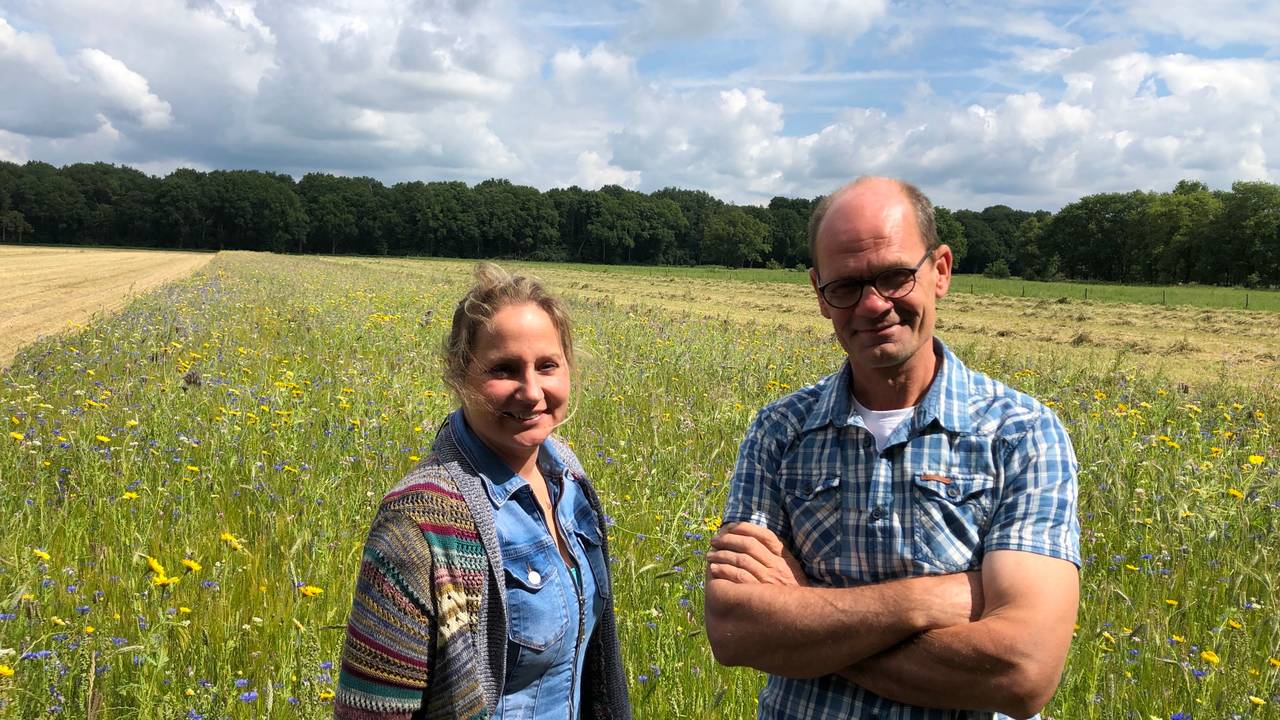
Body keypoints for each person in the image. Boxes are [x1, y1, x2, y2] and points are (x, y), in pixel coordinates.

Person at [704, 177, 1080, 720]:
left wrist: (805, 615)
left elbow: (1022, 672)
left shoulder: (1021, 434)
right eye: (845, 286)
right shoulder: (780, 431)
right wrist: (926, 601)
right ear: (819, 293)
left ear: (940, 270)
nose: (873, 305)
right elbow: (735, 630)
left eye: (894, 276)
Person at [336, 263, 630, 720]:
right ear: (460, 375)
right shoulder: (419, 525)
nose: (531, 392)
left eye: (547, 366)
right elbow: (373, 711)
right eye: (504, 369)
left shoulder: (568, 478)